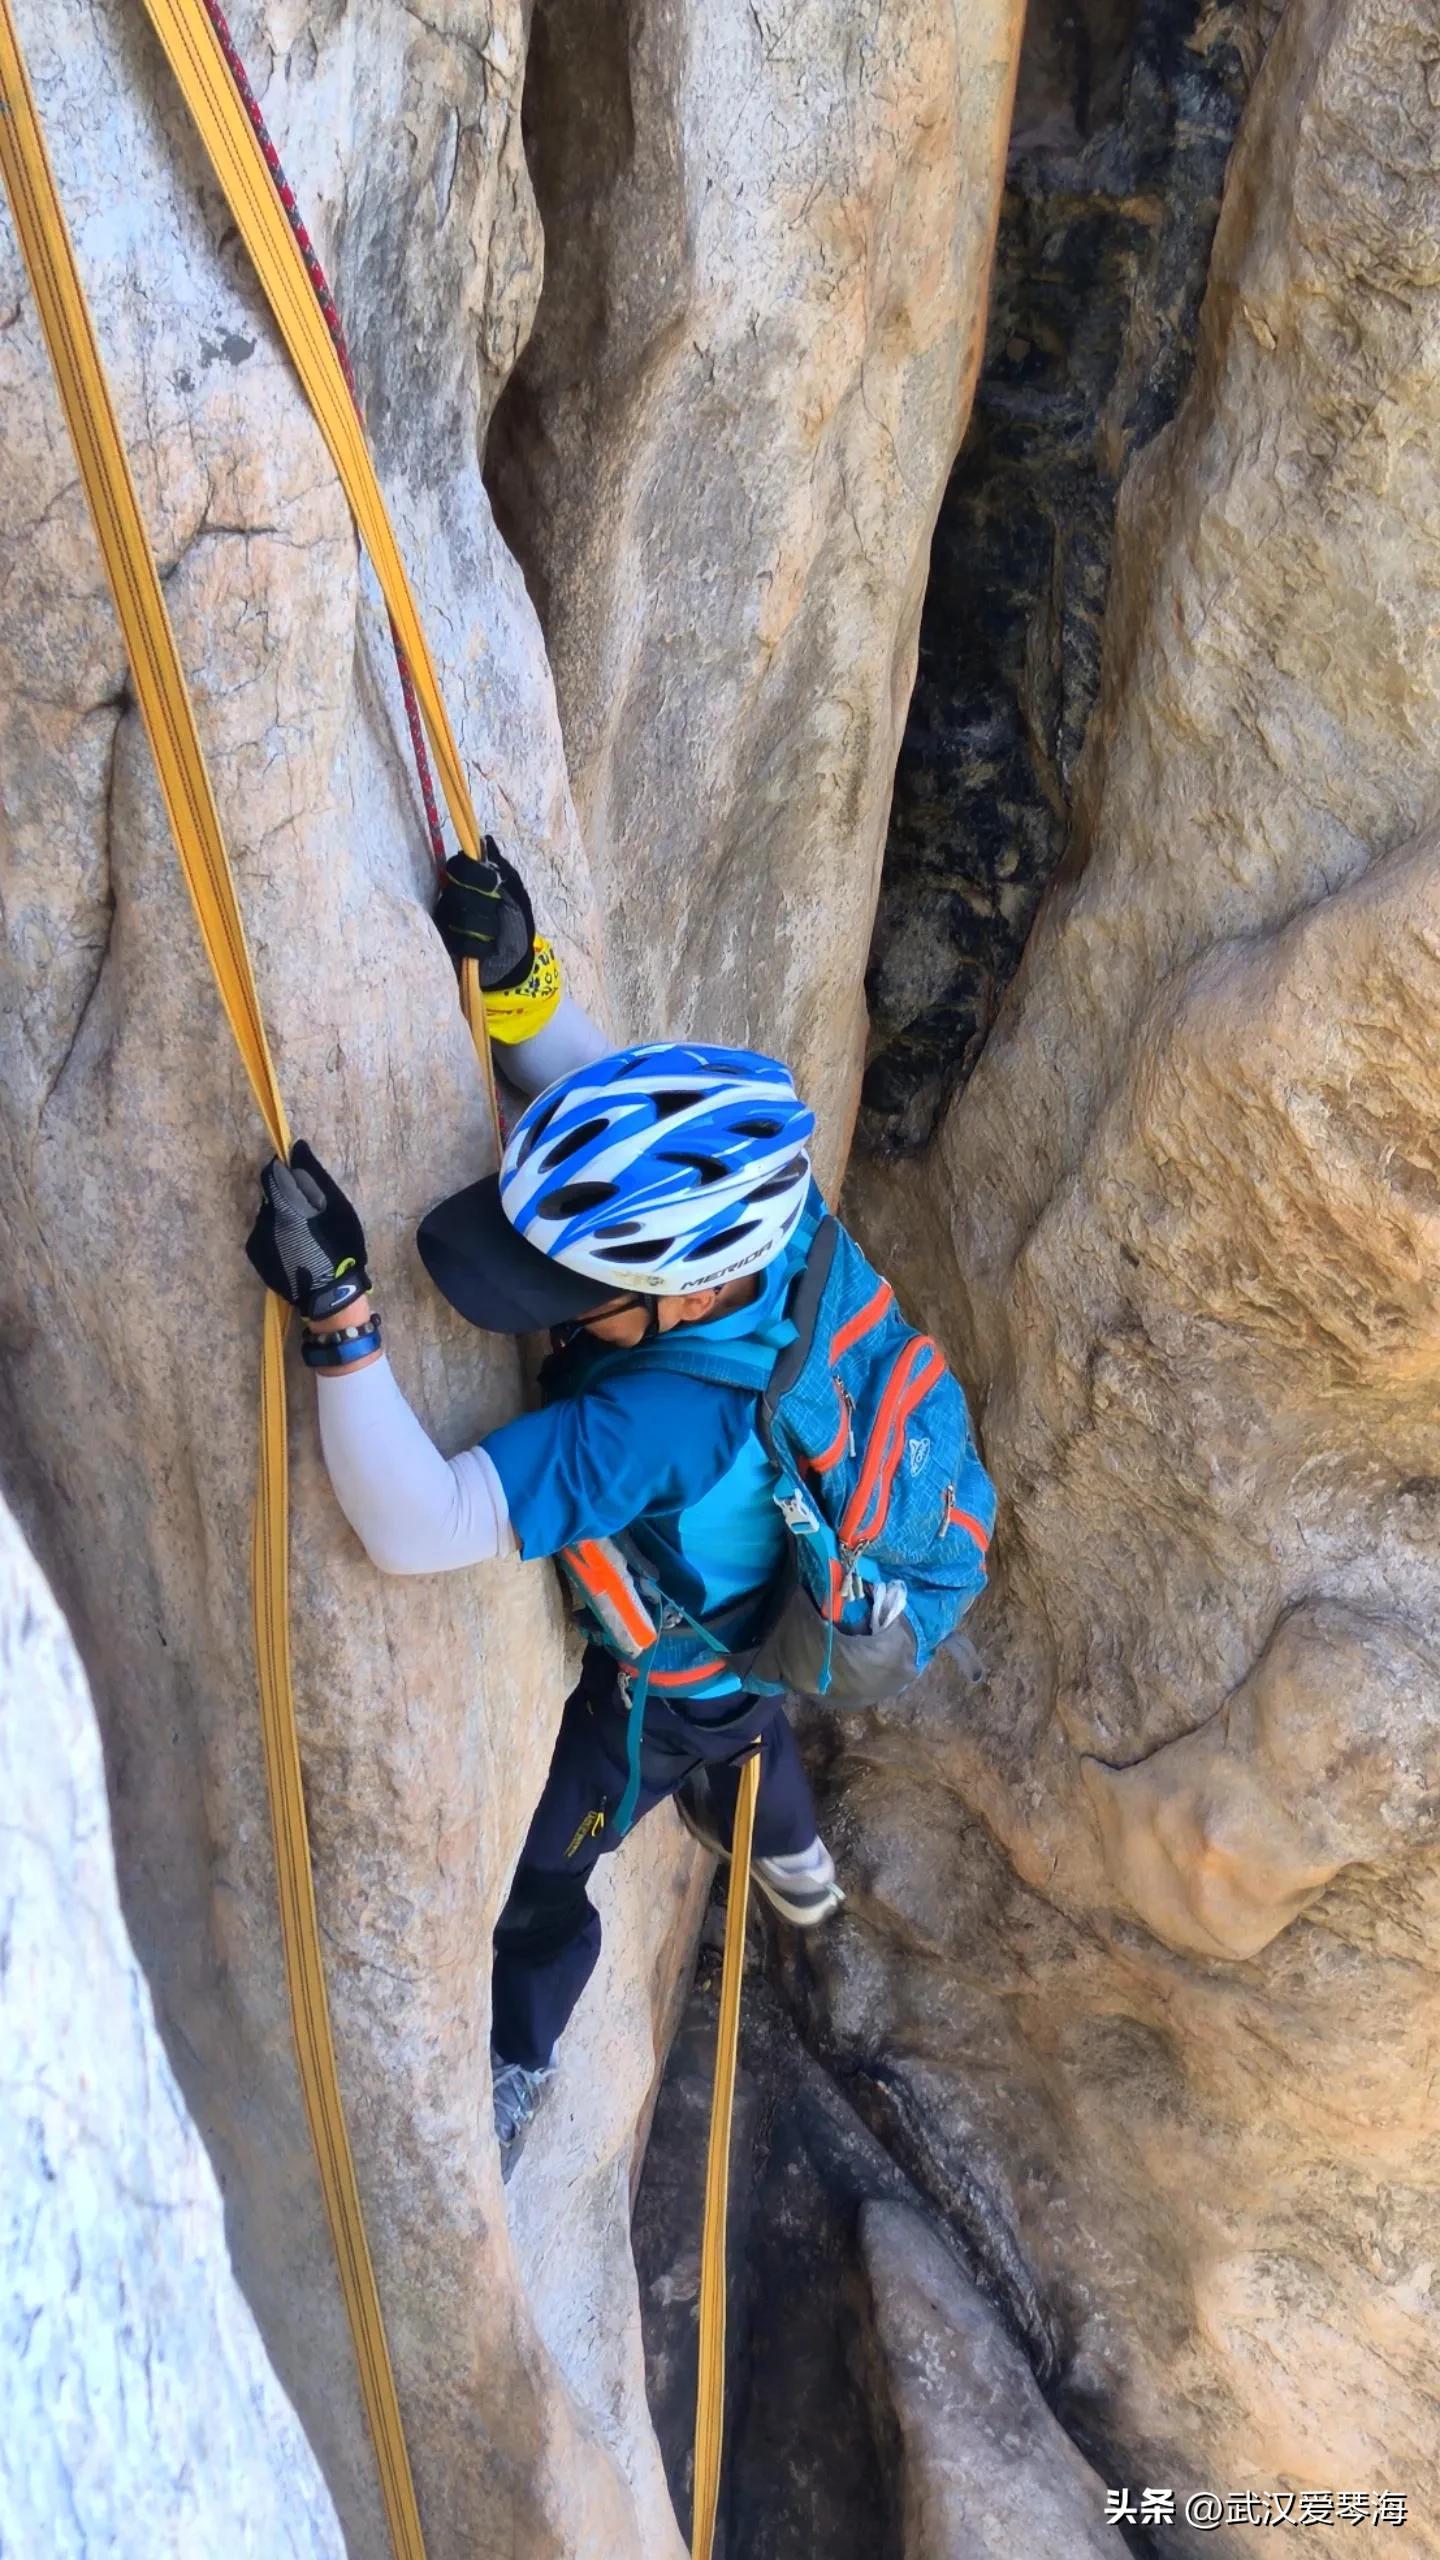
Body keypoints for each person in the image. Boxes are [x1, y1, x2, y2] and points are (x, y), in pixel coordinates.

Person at [245, 846, 844, 2176]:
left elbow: (418, 1525)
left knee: (546, 1871)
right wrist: (519, 974)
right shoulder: (767, 1221)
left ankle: (520, 2053)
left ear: (682, 1300)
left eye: (581, 1292)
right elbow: (610, 1112)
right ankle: (792, 1852)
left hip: (669, 1689)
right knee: (760, 1717)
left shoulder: (653, 1426)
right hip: (764, 1593)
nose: (550, 1296)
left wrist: (340, 1320)